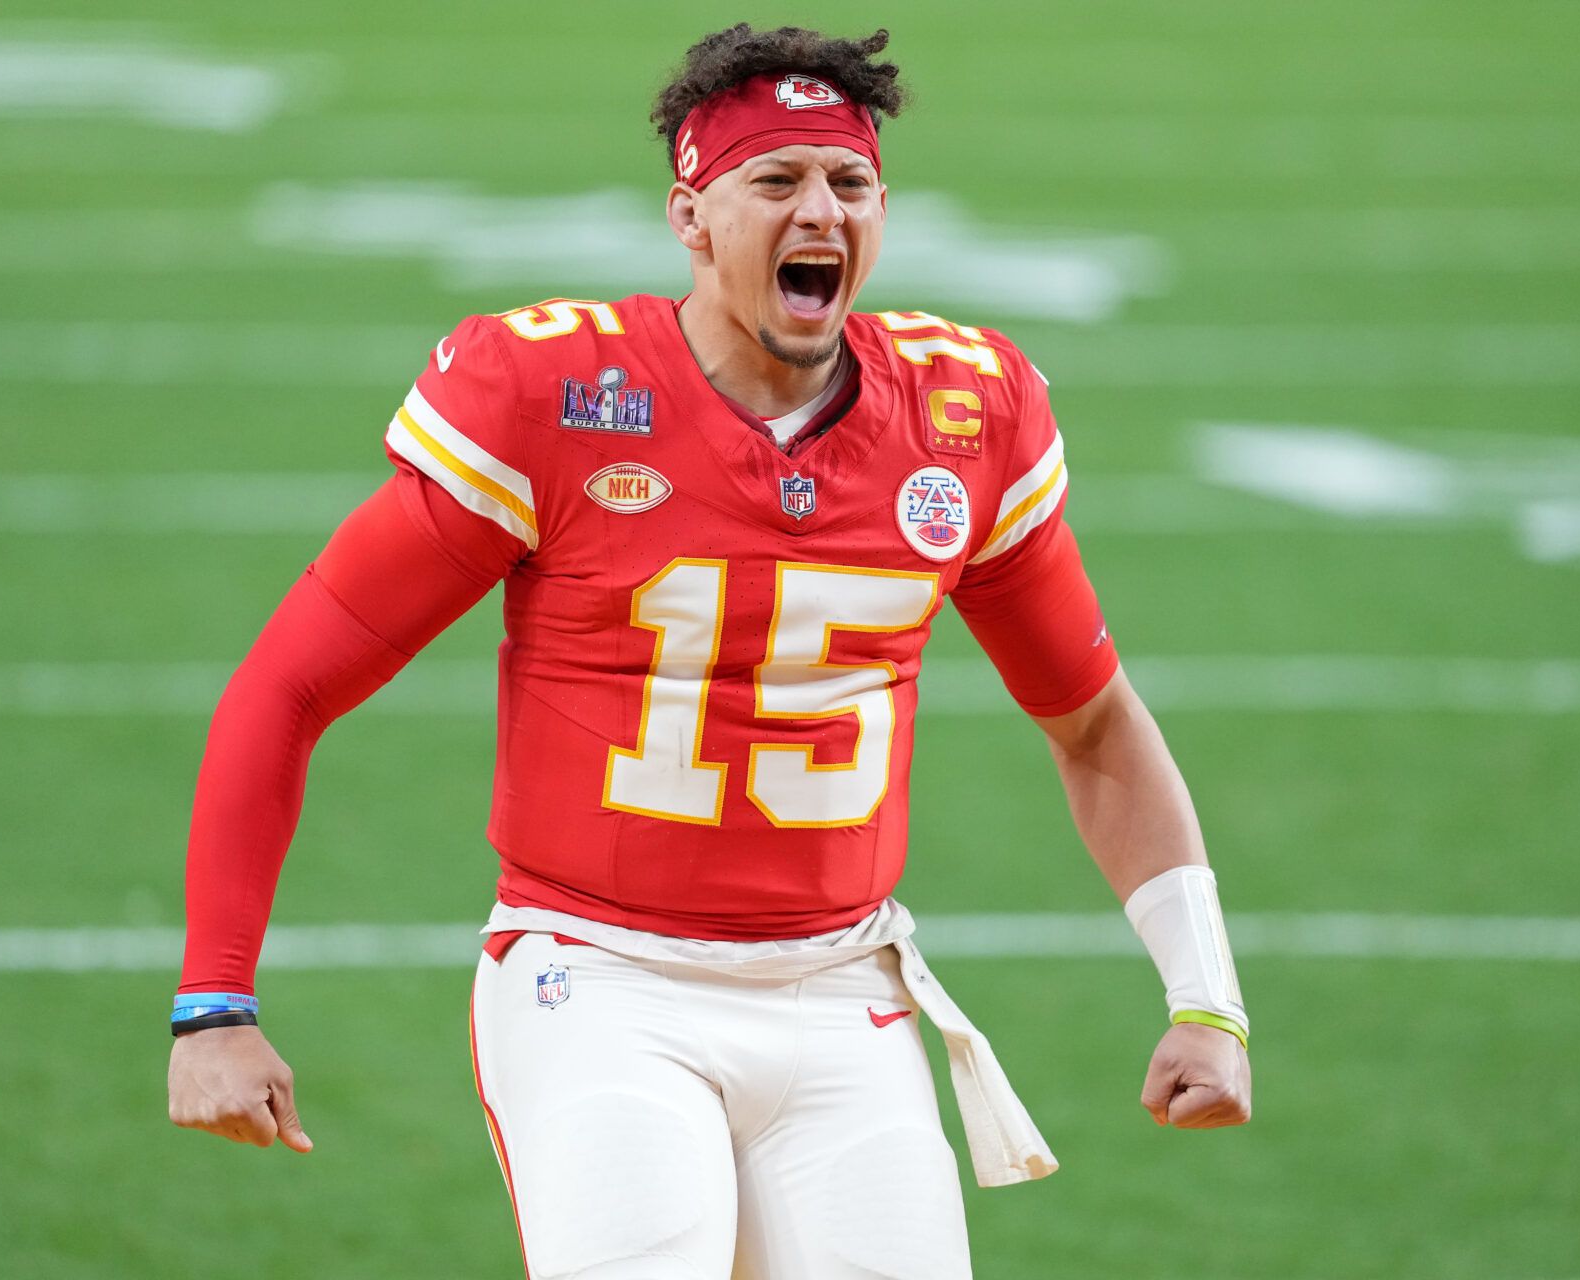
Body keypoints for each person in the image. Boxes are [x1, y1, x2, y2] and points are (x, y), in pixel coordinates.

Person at [167, 23, 1250, 1280]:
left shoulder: (964, 416)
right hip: (604, 979)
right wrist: (215, 1002)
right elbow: (289, 682)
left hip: (848, 985)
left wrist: (1205, 994)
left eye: (848, 183)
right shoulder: (559, 396)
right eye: (776, 180)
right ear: (692, 213)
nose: (820, 210)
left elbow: (1093, 719)